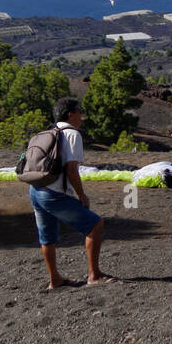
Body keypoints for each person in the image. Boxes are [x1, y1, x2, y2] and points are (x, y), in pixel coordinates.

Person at [29, 97, 115, 288]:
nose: (81, 116)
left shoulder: (46, 133)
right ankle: (94, 276)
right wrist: (82, 196)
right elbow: (72, 170)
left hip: (36, 190)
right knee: (95, 225)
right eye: (79, 112)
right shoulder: (72, 135)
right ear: (70, 114)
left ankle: (55, 280)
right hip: (53, 193)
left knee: (47, 237)